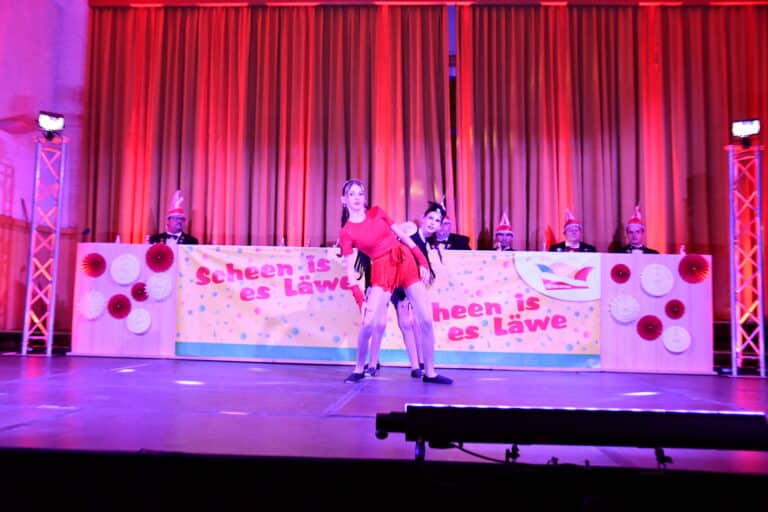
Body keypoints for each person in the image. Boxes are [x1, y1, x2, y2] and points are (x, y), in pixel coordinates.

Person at [338, 179, 452, 384]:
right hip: (382, 268)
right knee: (368, 323)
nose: (357, 198)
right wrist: (359, 300)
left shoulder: (377, 212)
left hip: (404, 260)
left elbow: (404, 237)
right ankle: (358, 368)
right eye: (352, 194)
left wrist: (423, 262)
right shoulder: (346, 232)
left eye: (360, 193)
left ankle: (430, 372)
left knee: (426, 319)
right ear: (344, 200)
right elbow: (349, 270)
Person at [361, 201, 446, 379]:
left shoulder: (426, 244)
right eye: (430, 218)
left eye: (437, 220)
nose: (432, 223)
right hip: (388, 277)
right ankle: (372, 364)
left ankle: (416, 367)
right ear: (423, 218)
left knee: (407, 323)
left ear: (440, 226)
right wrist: (370, 283)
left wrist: (423, 270)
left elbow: (420, 265)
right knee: (379, 323)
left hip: (403, 285)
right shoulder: (409, 230)